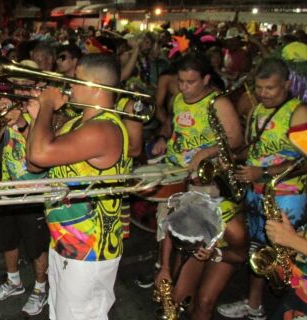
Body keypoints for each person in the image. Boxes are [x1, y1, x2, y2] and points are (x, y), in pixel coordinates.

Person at [27, 53, 132, 319]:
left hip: (90, 253)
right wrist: (36, 118)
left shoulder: (103, 130)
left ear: (96, 86)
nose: (69, 85)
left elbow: (39, 154)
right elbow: (35, 165)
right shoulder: (76, 123)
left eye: (76, 80)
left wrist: (48, 106)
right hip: (64, 244)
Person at [218, 58, 307, 320]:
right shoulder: (258, 110)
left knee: (290, 261)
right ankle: (254, 305)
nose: (264, 93)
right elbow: (253, 149)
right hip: (257, 193)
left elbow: (305, 162)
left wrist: (264, 172)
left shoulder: (298, 113)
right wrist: (234, 158)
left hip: (287, 197)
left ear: (287, 85)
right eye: (259, 88)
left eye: (271, 88)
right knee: (259, 252)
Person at [148, 52, 243, 293]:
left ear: (206, 79)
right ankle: (165, 268)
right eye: (180, 81)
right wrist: (162, 138)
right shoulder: (179, 99)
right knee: (167, 222)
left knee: (190, 230)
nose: (184, 87)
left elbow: (236, 139)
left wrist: (205, 153)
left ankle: (182, 280)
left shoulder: (217, 103)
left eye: (190, 82)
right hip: (175, 172)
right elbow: (173, 126)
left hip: (202, 180)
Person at [0, 62, 50, 316]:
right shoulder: (9, 106)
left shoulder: (45, 109)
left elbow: (42, 152)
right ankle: (14, 281)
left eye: (25, 85)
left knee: (37, 246)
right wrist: (0, 120)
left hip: (34, 191)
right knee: (7, 239)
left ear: (36, 85)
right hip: (7, 189)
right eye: (16, 85)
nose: (19, 91)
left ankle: (41, 287)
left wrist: (25, 122)